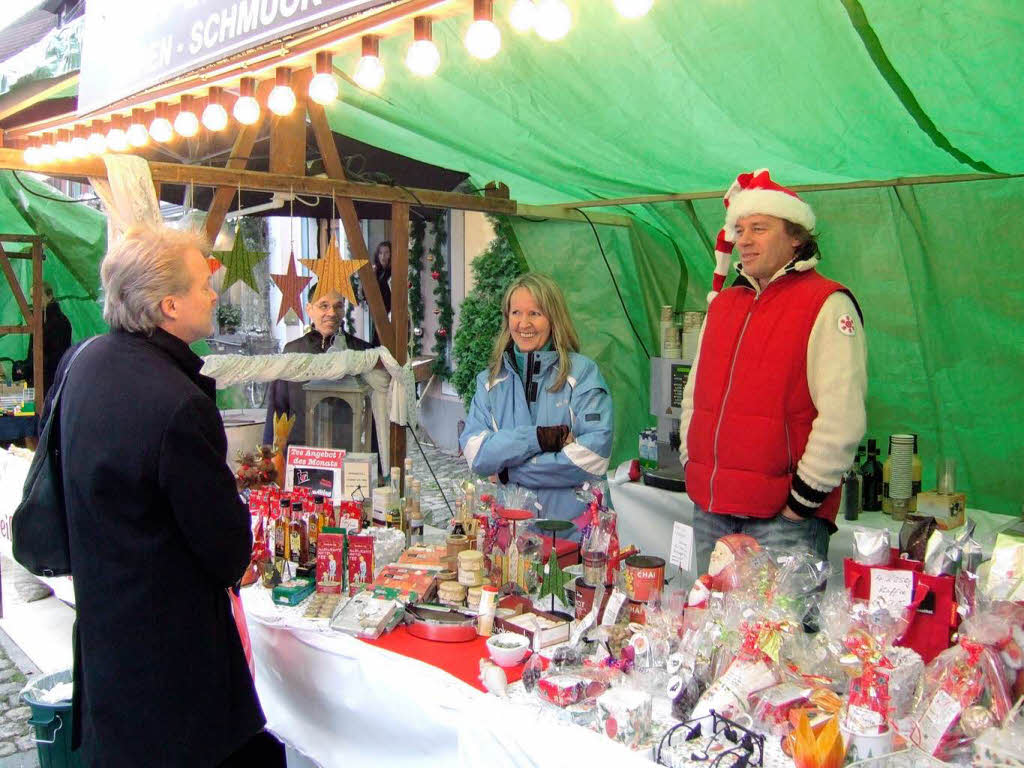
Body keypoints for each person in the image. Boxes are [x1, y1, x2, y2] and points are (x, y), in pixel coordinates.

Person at [48, 225, 282, 766]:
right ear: (169, 304)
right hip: (172, 674)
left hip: (110, 646)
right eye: (204, 283)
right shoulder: (177, 404)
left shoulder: (81, 363)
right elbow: (227, 551)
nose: (214, 293)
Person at [679, 169, 867, 573]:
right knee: (710, 632)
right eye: (739, 229)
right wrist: (690, 458)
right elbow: (695, 396)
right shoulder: (724, 305)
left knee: (779, 635)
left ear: (796, 235)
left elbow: (842, 417)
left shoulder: (827, 304)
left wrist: (801, 502)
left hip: (782, 520)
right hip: (712, 510)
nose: (743, 240)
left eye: (758, 228)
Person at [459, 272, 613, 523]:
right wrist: (538, 438)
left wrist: (507, 470)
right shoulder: (490, 382)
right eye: (516, 313)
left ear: (553, 318)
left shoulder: (582, 374)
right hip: (513, 533)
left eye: (535, 313)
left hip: (574, 534)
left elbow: (592, 459)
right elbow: (476, 454)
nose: (523, 323)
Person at [263, 288, 373, 450]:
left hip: (348, 454)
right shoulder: (293, 351)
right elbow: (278, 409)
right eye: (324, 306)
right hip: (302, 452)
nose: (332, 313)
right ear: (309, 309)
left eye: (338, 306)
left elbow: (373, 412)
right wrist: (270, 456)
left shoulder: (361, 352)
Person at [21, 281, 72, 398]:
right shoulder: (38, 321)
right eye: (32, 297)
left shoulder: (59, 322)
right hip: (38, 382)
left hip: (50, 384)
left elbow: (56, 356)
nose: (34, 301)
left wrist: (29, 367)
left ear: (49, 296)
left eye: (38, 296)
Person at [370, 240, 391, 346]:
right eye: (381, 253)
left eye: (386, 253)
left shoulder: (393, 271)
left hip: (390, 313)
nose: (383, 256)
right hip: (377, 312)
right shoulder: (376, 271)